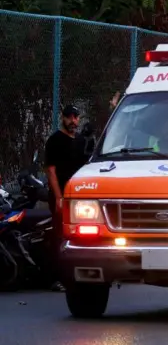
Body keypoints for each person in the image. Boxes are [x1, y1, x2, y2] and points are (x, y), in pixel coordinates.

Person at [44, 105, 86, 292]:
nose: (73, 121)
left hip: (78, 199)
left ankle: (76, 276)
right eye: (69, 117)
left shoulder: (80, 141)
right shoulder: (54, 141)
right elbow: (50, 171)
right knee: (59, 237)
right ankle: (56, 278)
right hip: (61, 197)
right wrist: (59, 198)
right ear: (62, 118)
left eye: (75, 117)